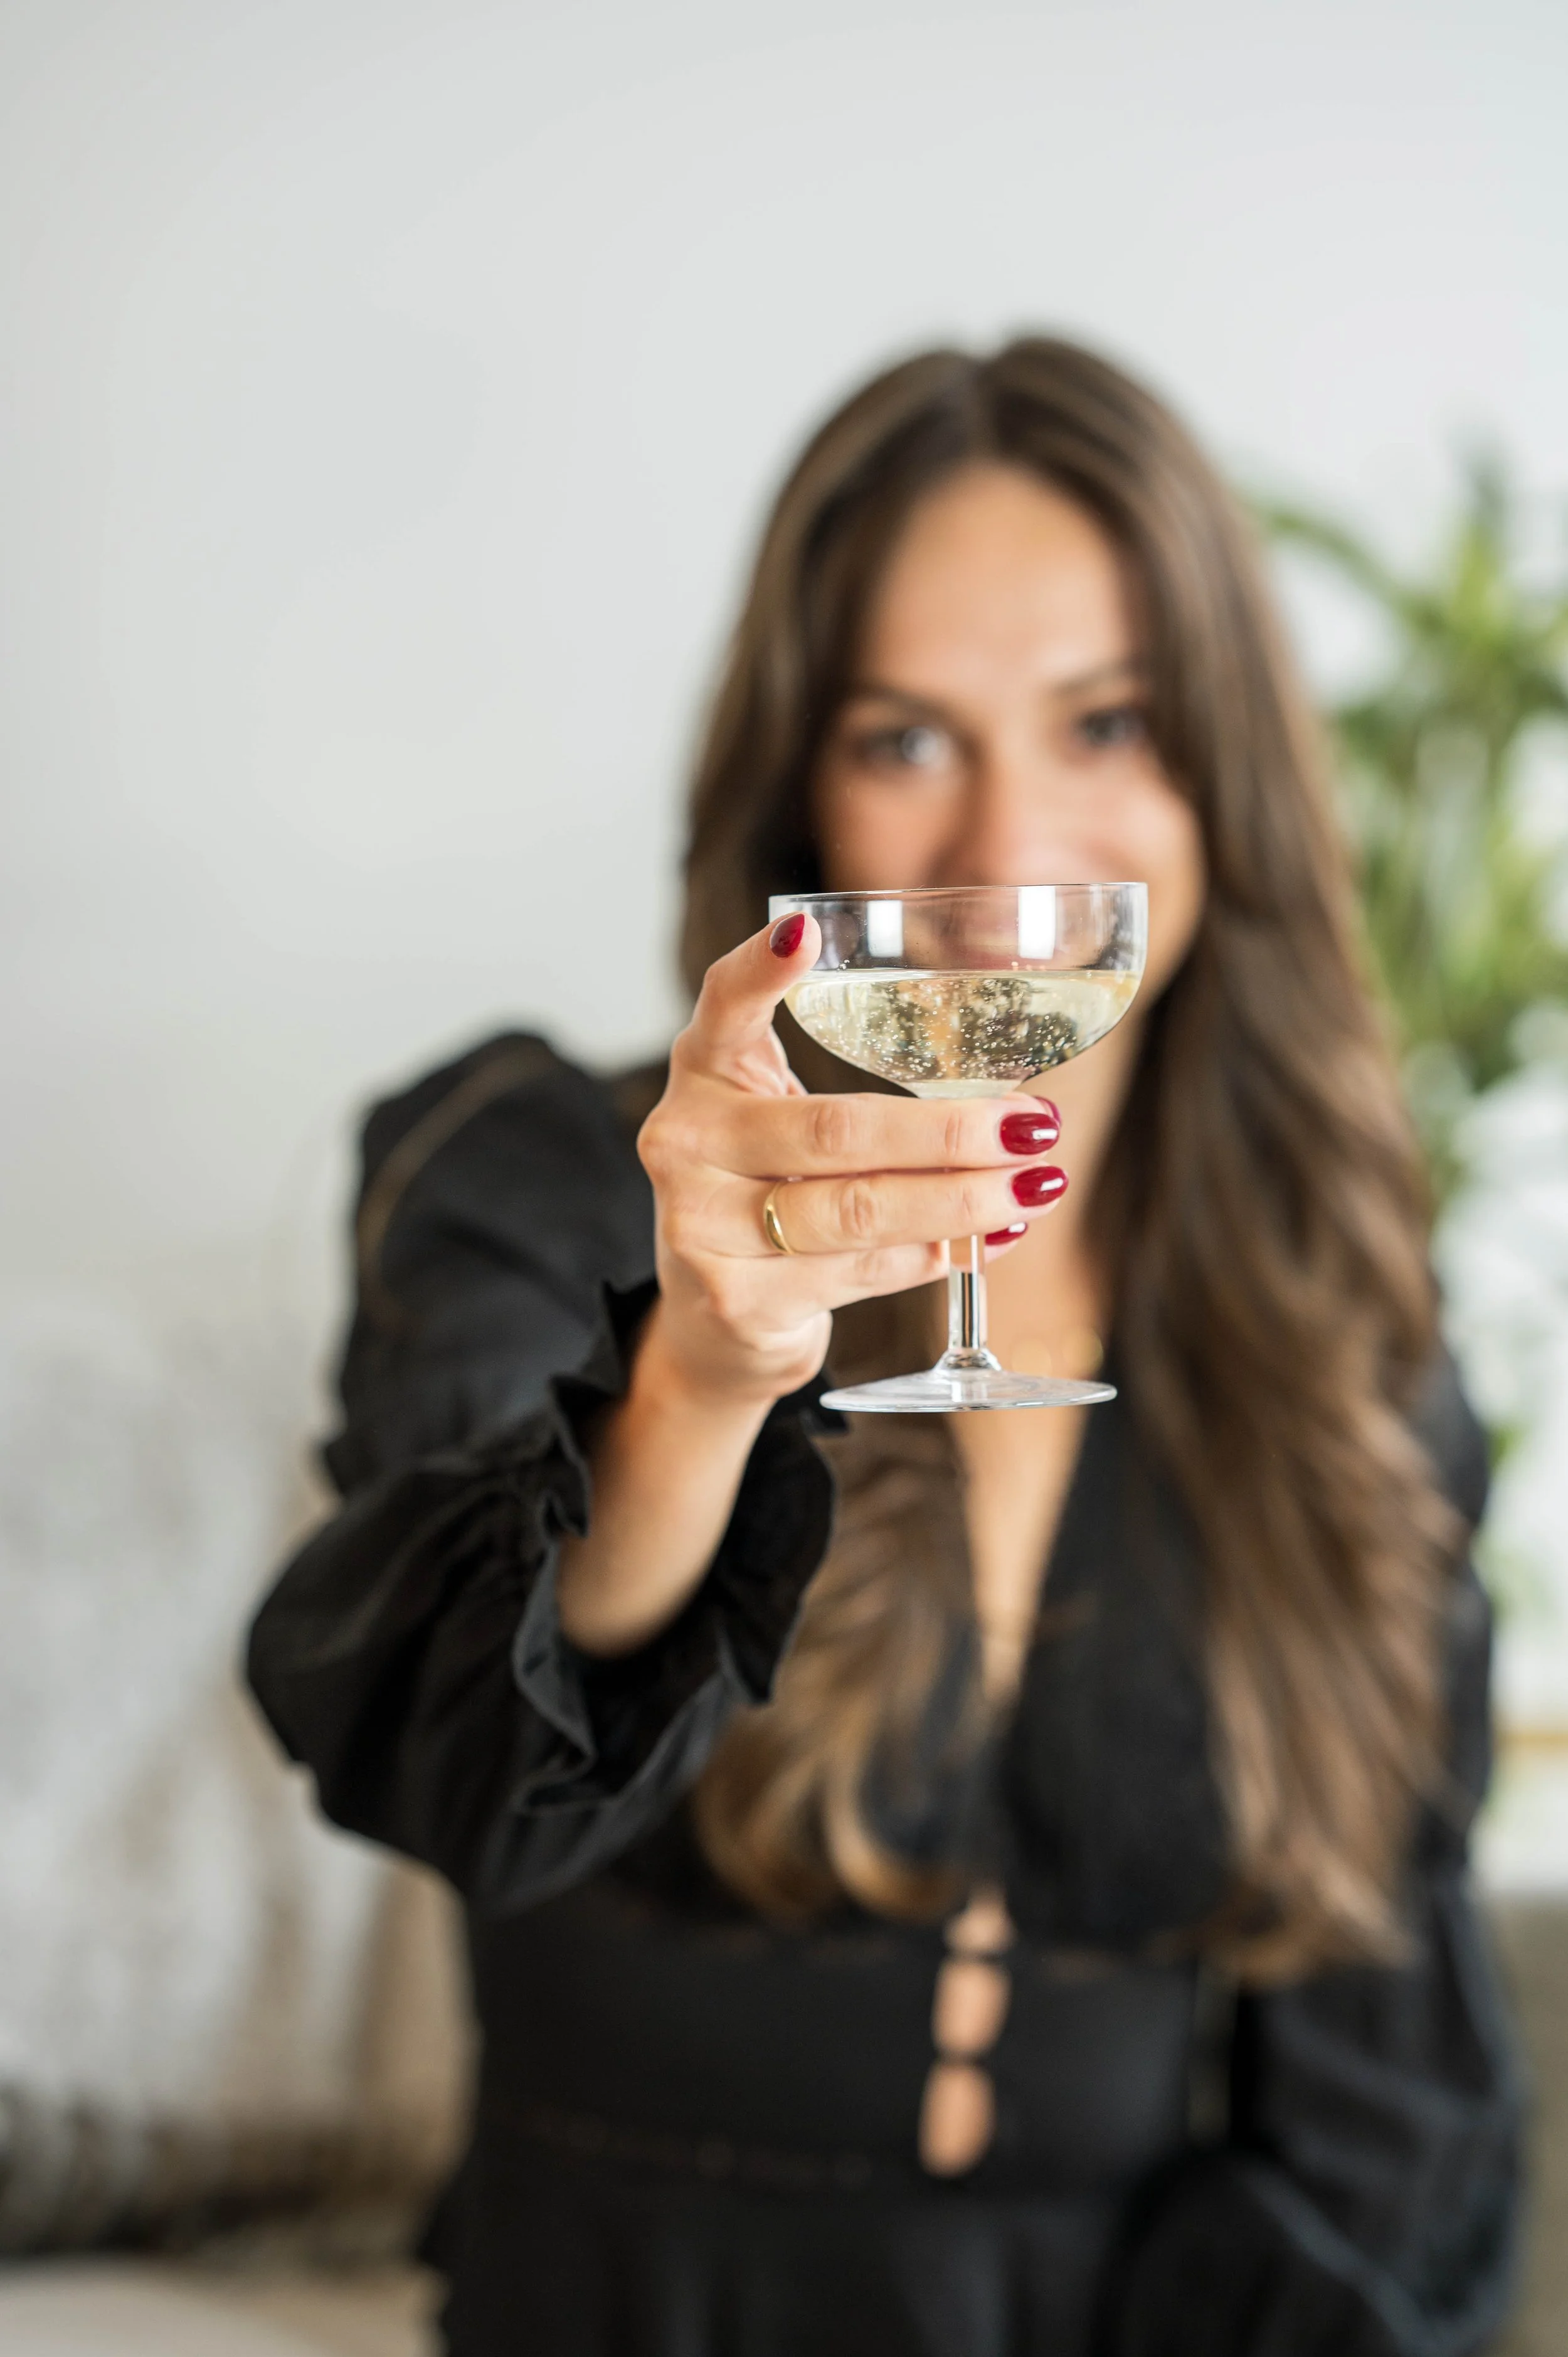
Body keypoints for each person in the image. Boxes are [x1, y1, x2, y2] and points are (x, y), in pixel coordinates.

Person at [247, 338, 1522, 2356]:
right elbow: (444, 1751)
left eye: (1105, 720)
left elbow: (1390, 2114)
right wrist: (701, 1373)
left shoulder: (1334, 1348)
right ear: (796, 790)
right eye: (908, 737)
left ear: (1224, 775)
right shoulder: (546, 1182)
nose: (1006, 842)